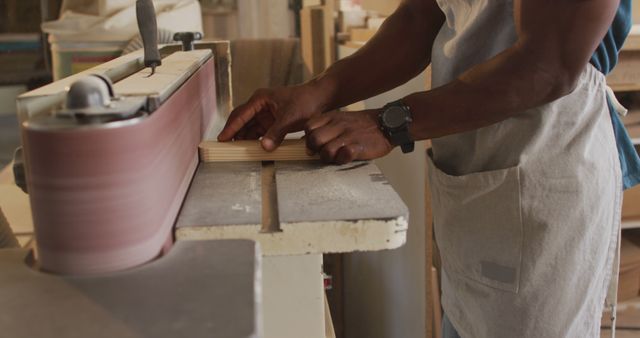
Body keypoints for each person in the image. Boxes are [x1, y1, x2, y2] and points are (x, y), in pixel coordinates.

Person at [219, 0, 640, 337]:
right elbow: (422, 15)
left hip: (543, 158)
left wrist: (389, 122)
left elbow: (547, 65)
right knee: (465, 317)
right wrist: (318, 92)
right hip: (477, 168)